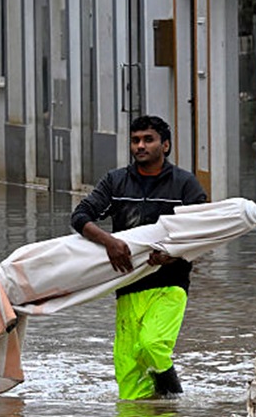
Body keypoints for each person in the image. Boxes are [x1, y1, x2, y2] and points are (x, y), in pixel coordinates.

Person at [71, 115, 208, 400]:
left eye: (148, 140)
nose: (140, 146)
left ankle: (173, 401)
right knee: (129, 376)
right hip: (128, 285)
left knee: (151, 344)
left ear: (165, 145)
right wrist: (109, 242)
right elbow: (81, 216)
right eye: (135, 140)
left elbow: (200, 232)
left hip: (170, 284)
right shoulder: (116, 182)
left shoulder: (185, 184)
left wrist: (171, 255)